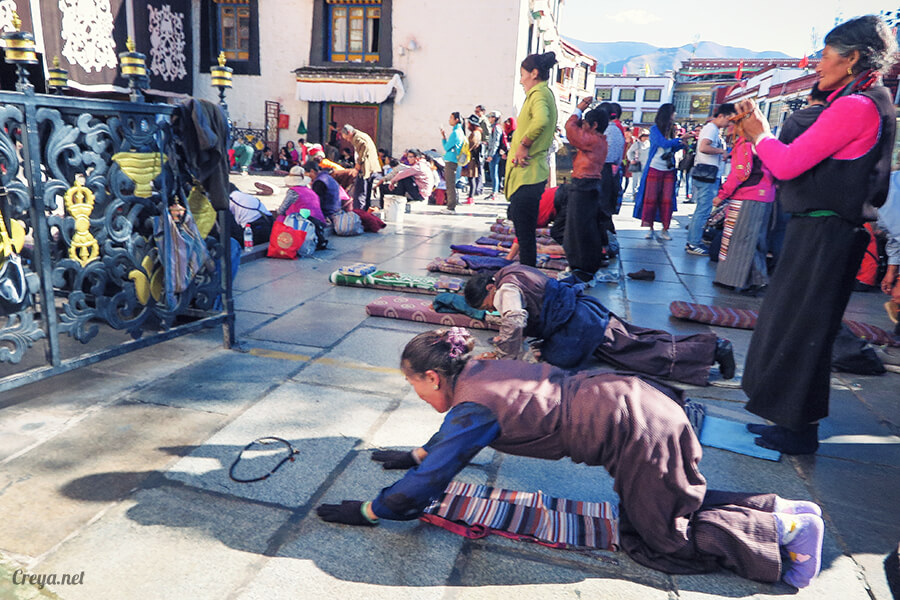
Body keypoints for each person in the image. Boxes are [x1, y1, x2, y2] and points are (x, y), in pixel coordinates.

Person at [317, 328, 826, 589]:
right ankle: (783, 509)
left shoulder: (470, 405)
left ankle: (784, 535)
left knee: (661, 539)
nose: (415, 394)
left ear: (433, 377)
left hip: (636, 428)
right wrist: (413, 453)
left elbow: (431, 479)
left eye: (413, 385)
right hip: (635, 404)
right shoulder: (481, 370)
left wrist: (370, 511)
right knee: (670, 498)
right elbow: (446, 445)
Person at [736, 15, 897, 454]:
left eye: (826, 56)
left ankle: (798, 431)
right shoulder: (869, 99)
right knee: (798, 326)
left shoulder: (857, 106)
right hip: (827, 231)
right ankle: (789, 422)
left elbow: (787, 164)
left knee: (803, 330)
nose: (818, 64)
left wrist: (760, 135)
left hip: (826, 233)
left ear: (853, 59)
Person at [464, 264, 735, 384]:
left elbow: (514, 320)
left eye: (489, 305)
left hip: (578, 327)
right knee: (637, 337)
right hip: (583, 311)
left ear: (490, 288)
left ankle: (712, 350)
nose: (494, 310)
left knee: (638, 352)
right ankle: (709, 347)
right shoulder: (512, 271)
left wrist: (504, 356)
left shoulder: (505, 290)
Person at [505, 51, 559, 267]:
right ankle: (527, 273)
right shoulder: (541, 94)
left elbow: (542, 121)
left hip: (529, 173)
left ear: (534, 73)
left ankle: (527, 276)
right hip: (528, 174)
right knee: (524, 231)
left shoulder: (538, 95)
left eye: (522, 74)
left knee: (525, 234)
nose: (520, 80)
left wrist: (524, 145)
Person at [768, 84, 830, 267]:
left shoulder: (794, 119)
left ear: (810, 98)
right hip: (818, 188)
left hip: (790, 185)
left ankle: (780, 265)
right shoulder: (830, 120)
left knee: (782, 229)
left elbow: (780, 151)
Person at [712, 122, 776, 292]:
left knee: (742, 239)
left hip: (748, 195)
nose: (729, 128)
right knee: (755, 239)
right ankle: (754, 279)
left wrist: (722, 194)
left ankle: (744, 280)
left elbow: (741, 172)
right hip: (765, 195)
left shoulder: (745, 144)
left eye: (733, 124)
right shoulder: (763, 142)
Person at [561, 96, 609, 282]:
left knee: (577, 230)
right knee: (583, 227)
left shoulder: (593, 141)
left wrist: (579, 109)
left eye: (586, 124)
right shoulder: (599, 140)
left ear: (594, 125)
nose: (584, 126)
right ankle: (584, 266)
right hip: (588, 185)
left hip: (584, 186)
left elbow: (571, 130)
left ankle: (582, 269)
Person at [685, 104, 737, 256]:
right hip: (707, 174)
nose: (730, 123)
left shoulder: (713, 129)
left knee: (703, 209)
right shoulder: (711, 129)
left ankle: (694, 241)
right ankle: (693, 243)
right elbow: (703, 147)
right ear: (722, 116)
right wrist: (722, 151)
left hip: (707, 173)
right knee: (703, 210)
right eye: (729, 119)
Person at [632, 104, 689, 240]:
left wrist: (682, 143)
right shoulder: (655, 129)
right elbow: (663, 144)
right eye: (673, 113)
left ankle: (665, 228)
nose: (674, 116)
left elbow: (670, 148)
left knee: (667, 200)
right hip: (655, 167)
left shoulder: (672, 130)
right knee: (651, 199)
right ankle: (651, 228)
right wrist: (679, 140)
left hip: (668, 169)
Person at [340, 124, 381, 212]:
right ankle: (365, 212)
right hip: (372, 168)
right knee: (367, 193)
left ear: (350, 133)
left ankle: (359, 213)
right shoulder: (361, 135)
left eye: (347, 137)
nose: (347, 140)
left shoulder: (357, 138)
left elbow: (363, 149)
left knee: (360, 193)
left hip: (365, 169)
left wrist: (357, 166)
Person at [440, 112, 466, 213]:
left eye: (451, 118)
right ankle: (451, 205)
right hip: (455, 160)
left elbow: (446, 147)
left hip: (452, 160)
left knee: (450, 184)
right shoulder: (460, 131)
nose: (449, 120)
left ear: (456, 120)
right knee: (451, 184)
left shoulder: (456, 133)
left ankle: (451, 207)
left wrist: (443, 137)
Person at [462, 115, 484, 203]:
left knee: (471, 178)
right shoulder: (477, 132)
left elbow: (471, 144)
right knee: (471, 178)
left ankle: (470, 198)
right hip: (472, 158)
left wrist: (465, 148)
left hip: (472, 158)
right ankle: (470, 197)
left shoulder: (475, 133)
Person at [484, 111, 504, 200]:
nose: (489, 119)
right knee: (493, 173)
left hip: (494, 154)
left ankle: (495, 192)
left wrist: (491, 154)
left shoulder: (496, 128)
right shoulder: (494, 127)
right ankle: (494, 191)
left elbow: (496, 142)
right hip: (493, 153)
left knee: (494, 173)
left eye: (491, 117)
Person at [626, 129, 650, 198]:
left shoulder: (649, 144)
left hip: (646, 165)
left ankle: (642, 193)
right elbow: (629, 152)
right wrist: (632, 160)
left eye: (647, 136)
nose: (645, 137)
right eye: (644, 136)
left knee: (644, 180)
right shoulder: (637, 144)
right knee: (635, 180)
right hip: (638, 164)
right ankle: (634, 194)